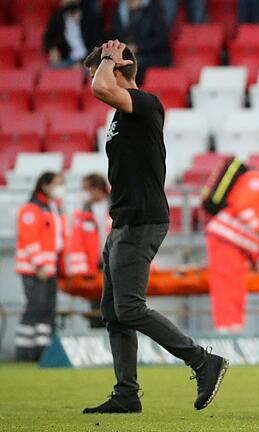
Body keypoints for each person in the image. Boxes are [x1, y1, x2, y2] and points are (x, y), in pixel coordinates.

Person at [81, 40, 227, 414]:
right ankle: (126, 394)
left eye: (99, 69)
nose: (93, 79)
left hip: (142, 221)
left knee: (129, 308)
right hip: (124, 221)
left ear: (118, 71)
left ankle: (201, 360)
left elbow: (100, 87)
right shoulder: (124, 113)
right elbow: (100, 86)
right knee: (114, 313)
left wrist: (110, 59)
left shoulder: (144, 104)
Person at [204, 157, 259, 333]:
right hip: (227, 237)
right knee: (226, 283)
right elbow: (243, 206)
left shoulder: (258, 178)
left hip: (234, 240)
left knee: (234, 284)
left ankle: (233, 324)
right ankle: (225, 326)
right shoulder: (257, 179)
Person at [14, 172, 66, 361]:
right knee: (35, 308)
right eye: (57, 184)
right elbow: (29, 240)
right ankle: (24, 352)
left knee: (47, 310)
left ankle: (43, 351)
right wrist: (40, 265)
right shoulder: (31, 209)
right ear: (44, 185)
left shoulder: (53, 209)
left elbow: (57, 242)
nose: (61, 188)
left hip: (50, 269)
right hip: (34, 269)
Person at [65, 173, 111, 328]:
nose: (85, 193)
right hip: (95, 264)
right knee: (96, 304)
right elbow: (77, 240)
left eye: (87, 189)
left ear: (97, 188)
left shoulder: (116, 205)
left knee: (117, 302)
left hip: (115, 261)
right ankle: (97, 334)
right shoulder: (83, 211)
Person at [110, 0, 171, 83]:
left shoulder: (153, 9)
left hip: (152, 55)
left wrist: (137, 47)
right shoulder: (119, 10)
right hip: (126, 54)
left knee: (134, 65)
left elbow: (161, 39)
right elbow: (114, 35)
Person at [44, 0, 103, 67]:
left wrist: (83, 62)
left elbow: (97, 45)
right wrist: (52, 49)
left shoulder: (91, 17)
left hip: (88, 61)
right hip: (67, 60)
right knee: (49, 70)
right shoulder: (58, 18)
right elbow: (47, 38)